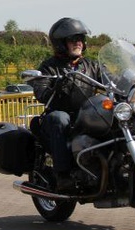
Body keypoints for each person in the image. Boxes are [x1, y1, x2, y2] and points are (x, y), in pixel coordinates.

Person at [30, 17, 102, 193]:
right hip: (60, 115)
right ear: (61, 43)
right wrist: (57, 86)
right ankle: (63, 175)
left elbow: (111, 80)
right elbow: (41, 92)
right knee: (60, 118)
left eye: (80, 39)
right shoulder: (49, 67)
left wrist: (134, 81)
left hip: (87, 114)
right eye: (72, 39)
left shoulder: (92, 66)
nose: (78, 43)